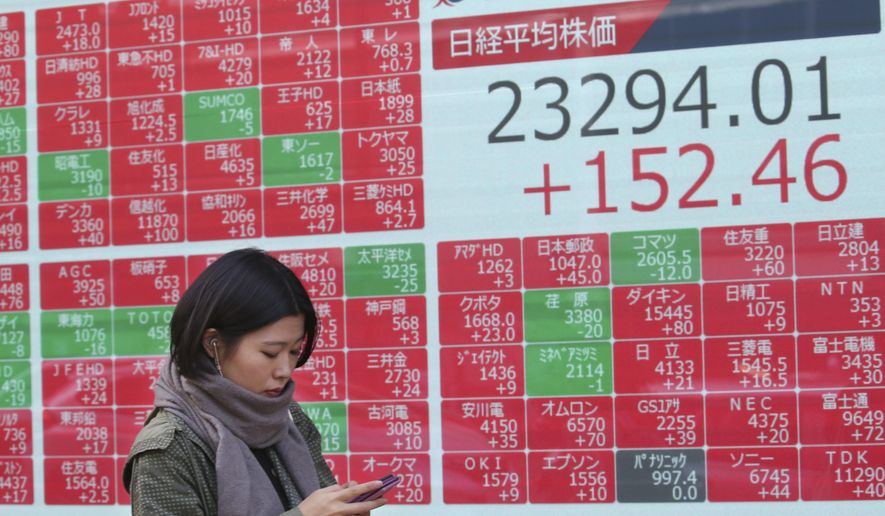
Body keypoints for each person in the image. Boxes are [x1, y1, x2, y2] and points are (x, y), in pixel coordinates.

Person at [123, 248, 388, 515]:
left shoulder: (288, 417)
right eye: (270, 353)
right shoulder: (166, 449)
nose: (285, 370)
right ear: (213, 344)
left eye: (294, 351)